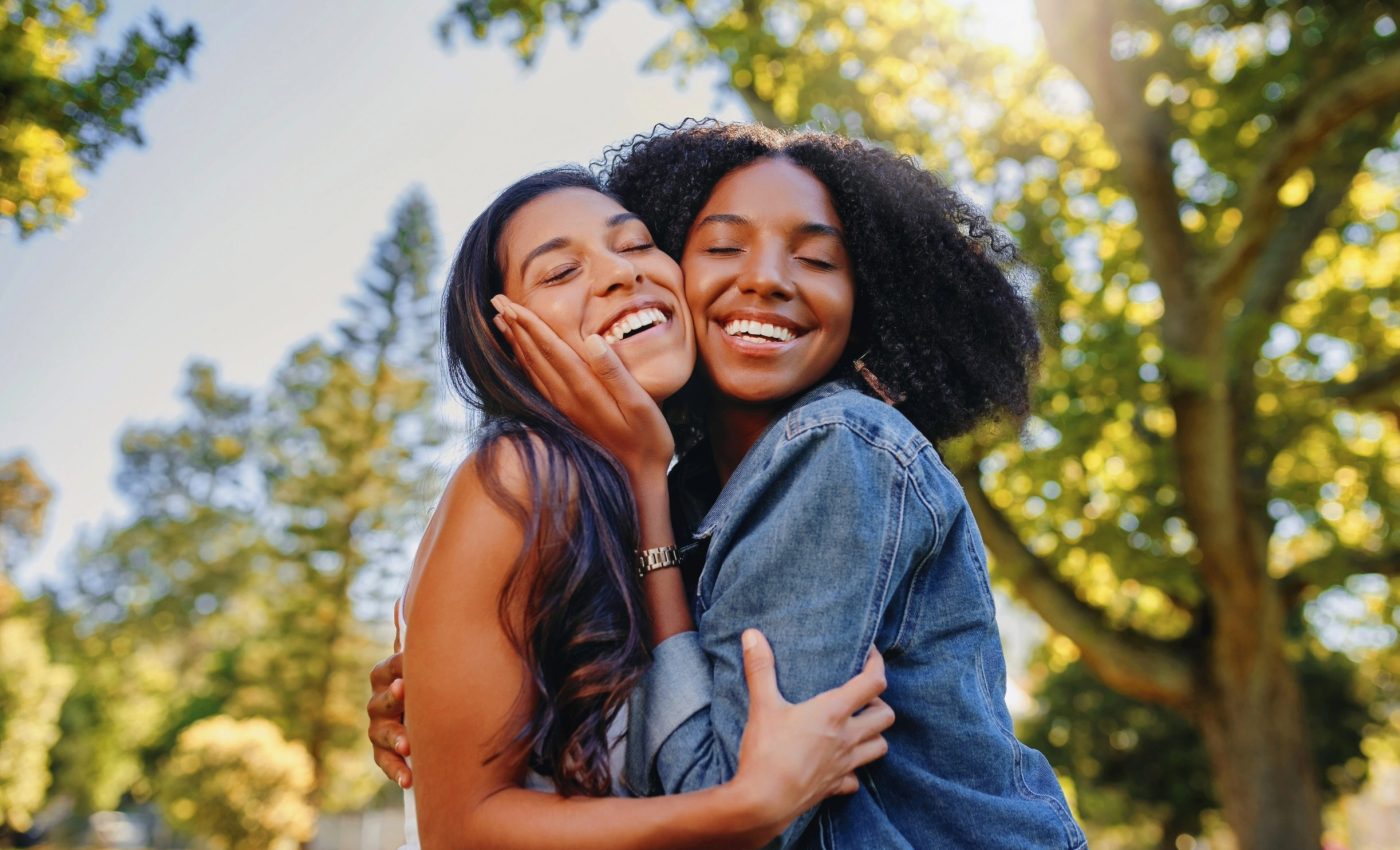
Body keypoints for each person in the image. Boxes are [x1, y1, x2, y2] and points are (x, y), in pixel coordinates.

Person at [373, 122, 1088, 849]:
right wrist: (455, 700)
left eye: (816, 259)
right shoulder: (598, 490)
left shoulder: (834, 444)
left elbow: (720, 795)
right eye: (721, 247)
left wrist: (646, 491)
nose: (769, 278)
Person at [395, 164, 895, 850]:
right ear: (507, 343)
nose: (619, 274)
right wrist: (747, 807)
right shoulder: (518, 478)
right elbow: (458, 830)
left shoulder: (684, 495)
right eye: (560, 272)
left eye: (634, 245)